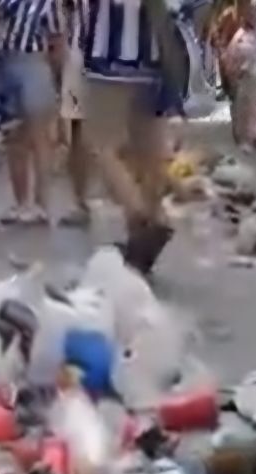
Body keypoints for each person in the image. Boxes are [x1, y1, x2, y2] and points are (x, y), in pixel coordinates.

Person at [80, 0, 177, 273]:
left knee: (101, 144)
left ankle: (141, 217)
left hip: (109, 60)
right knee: (148, 150)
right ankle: (150, 223)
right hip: (155, 60)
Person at [0, 0, 63, 224]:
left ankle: (42, 204)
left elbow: (56, 37)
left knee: (39, 137)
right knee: (13, 136)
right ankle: (21, 202)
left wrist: (57, 75)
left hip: (34, 62)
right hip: (3, 61)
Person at [58, 0, 90, 224]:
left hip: (86, 56)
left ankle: (81, 202)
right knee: (79, 131)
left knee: (81, 132)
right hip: (84, 55)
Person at [223, 0, 256, 147]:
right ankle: (243, 138)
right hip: (244, 76)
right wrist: (233, 73)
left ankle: (255, 134)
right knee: (243, 107)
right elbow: (230, 56)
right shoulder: (240, 35)